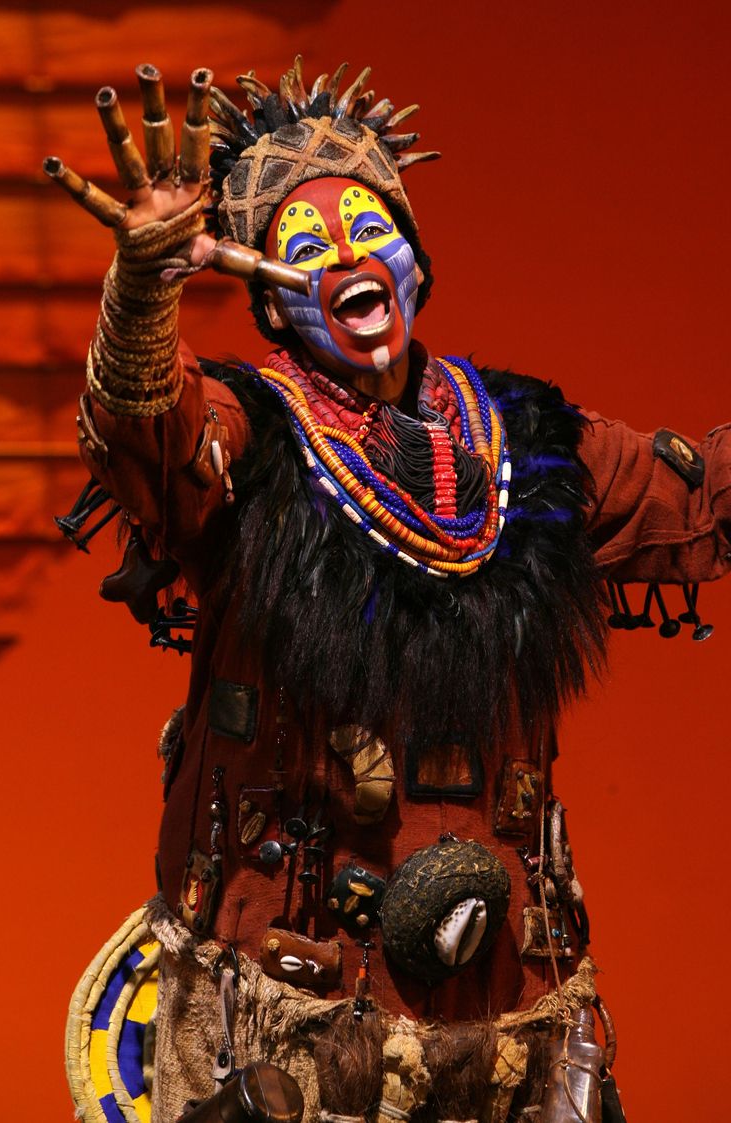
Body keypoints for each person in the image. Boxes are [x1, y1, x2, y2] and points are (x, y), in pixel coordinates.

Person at [49, 58, 731, 1123]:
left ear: (415, 260)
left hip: (511, 1015)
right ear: (272, 303)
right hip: (284, 1017)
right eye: (305, 249)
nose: (347, 262)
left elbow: (694, 500)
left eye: (371, 233)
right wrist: (144, 286)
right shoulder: (249, 438)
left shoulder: (530, 447)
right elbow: (147, 435)